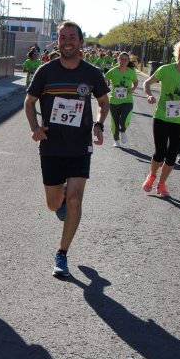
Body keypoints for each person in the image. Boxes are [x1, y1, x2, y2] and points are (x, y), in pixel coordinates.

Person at [24, 20, 109, 277]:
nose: (67, 41)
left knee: (74, 200)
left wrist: (98, 124)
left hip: (80, 145)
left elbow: (104, 103)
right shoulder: (45, 71)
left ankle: (61, 253)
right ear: (57, 41)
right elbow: (29, 103)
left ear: (81, 41)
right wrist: (35, 127)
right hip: (51, 145)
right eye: (62, 37)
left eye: (72, 37)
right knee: (54, 204)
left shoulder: (92, 73)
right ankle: (59, 195)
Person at [142, 38, 180, 197]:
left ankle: (161, 184)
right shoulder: (166, 70)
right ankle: (152, 175)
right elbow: (147, 83)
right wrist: (149, 95)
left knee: (172, 154)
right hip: (162, 116)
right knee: (160, 152)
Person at [104, 52, 138, 147]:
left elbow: (136, 82)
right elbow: (103, 79)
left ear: (128, 61)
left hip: (127, 100)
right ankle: (116, 140)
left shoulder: (131, 72)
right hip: (114, 101)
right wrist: (103, 89)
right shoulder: (113, 71)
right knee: (115, 122)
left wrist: (133, 89)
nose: (123, 61)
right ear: (118, 60)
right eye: (121, 59)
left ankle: (123, 131)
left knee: (124, 120)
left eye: (125, 59)